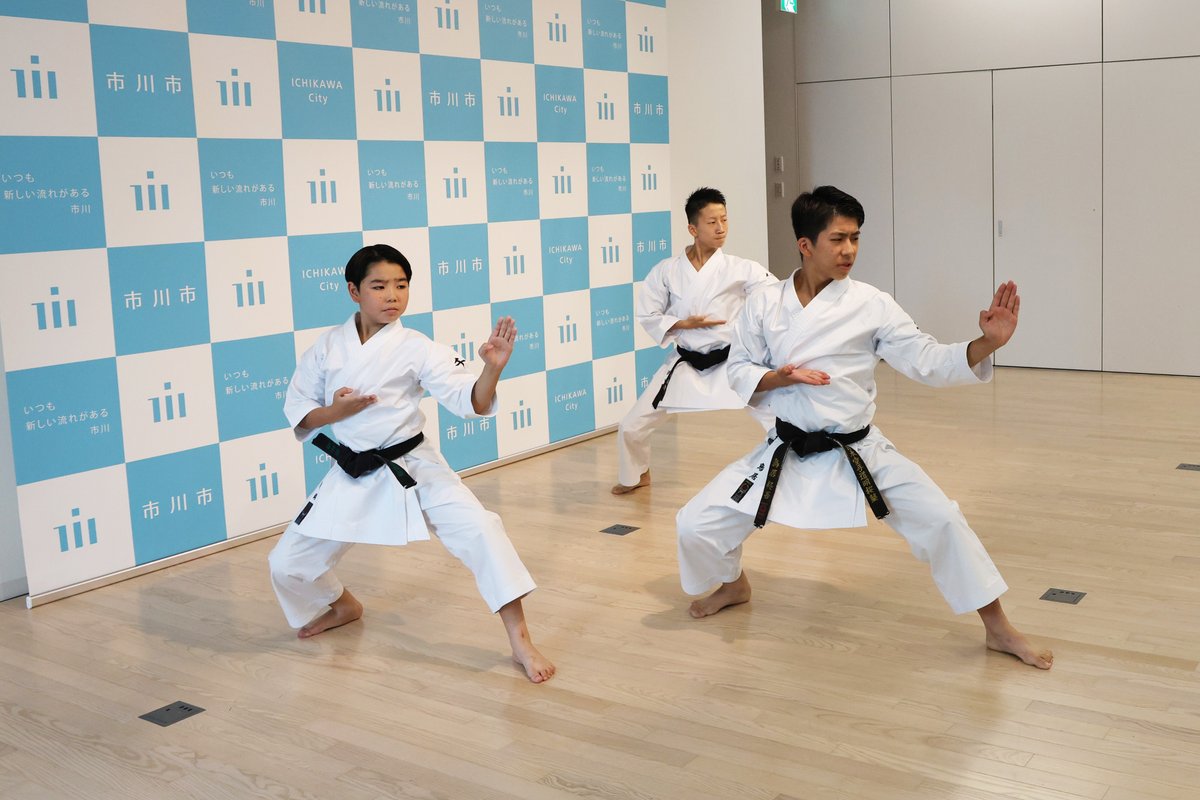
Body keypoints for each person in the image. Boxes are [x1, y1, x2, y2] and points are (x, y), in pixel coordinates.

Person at [675, 186, 1053, 670]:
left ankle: (998, 628)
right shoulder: (765, 304)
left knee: (942, 519)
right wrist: (779, 377)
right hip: (786, 450)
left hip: (858, 450)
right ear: (805, 245)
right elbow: (740, 367)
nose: (849, 250)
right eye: (837, 239)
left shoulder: (872, 304)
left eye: (855, 238)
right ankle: (733, 584)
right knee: (694, 522)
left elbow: (927, 360)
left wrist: (986, 343)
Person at [268, 244, 555, 683]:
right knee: (286, 564)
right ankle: (343, 605)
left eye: (401, 286)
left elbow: (471, 400)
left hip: (413, 467)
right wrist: (335, 413)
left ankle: (521, 641)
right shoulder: (326, 348)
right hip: (353, 470)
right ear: (353, 291)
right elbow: (300, 409)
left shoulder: (417, 347)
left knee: (482, 530)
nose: (392, 296)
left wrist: (492, 370)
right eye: (379, 286)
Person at [612, 187, 778, 494]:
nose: (721, 228)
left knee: (778, 418)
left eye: (725, 220)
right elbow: (647, 311)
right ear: (693, 228)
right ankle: (636, 475)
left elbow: (772, 297)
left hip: (731, 360)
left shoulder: (741, 269)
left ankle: (795, 471)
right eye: (712, 221)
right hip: (686, 361)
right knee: (632, 425)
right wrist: (683, 323)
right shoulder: (667, 271)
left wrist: (748, 324)